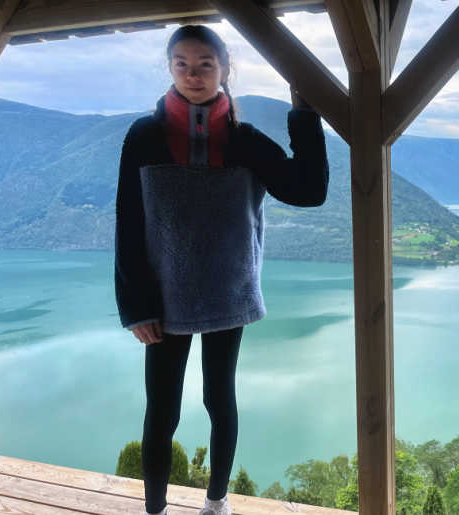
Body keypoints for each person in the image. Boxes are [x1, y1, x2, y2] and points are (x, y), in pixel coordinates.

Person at [114, 24, 329, 515]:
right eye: (182, 64)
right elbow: (128, 220)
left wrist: (304, 113)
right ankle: (155, 510)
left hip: (226, 292)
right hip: (162, 299)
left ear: (224, 69)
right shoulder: (145, 136)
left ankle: (216, 503)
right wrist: (135, 307)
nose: (193, 74)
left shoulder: (244, 140)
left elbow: (308, 191)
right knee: (161, 410)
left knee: (219, 400)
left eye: (205, 64)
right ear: (170, 68)